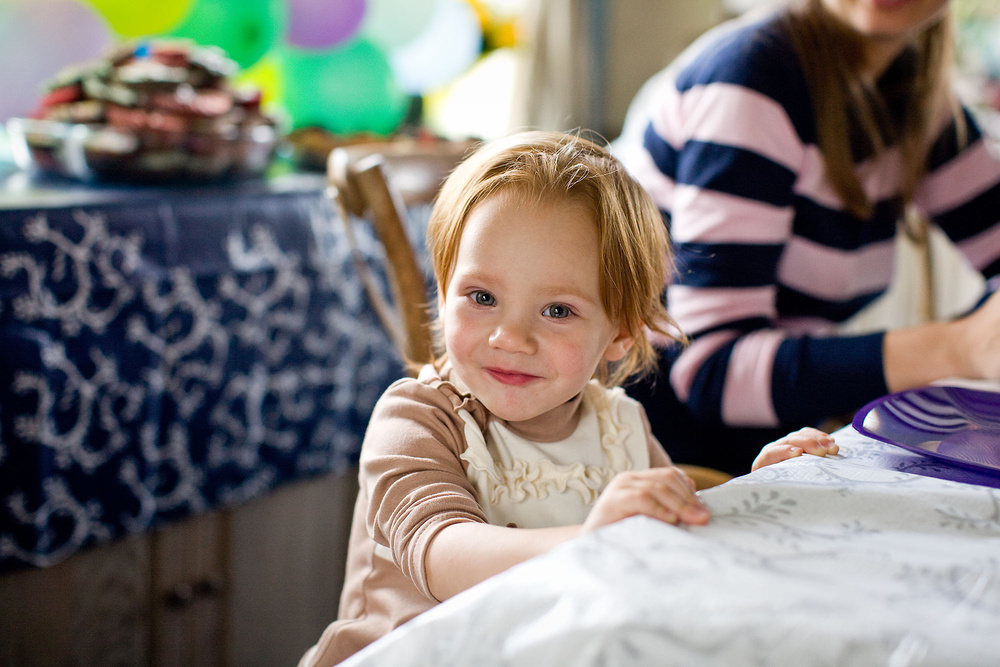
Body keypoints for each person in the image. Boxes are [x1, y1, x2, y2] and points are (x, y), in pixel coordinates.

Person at [299, 131, 836, 666]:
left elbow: (671, 533)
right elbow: (441, 553)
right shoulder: (417, 418)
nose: (509, 337)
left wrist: (754, 489)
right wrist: (592, 541)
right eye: (481, 297)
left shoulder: (620, 425)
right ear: (444, 295)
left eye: (557, 310)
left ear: (623, 332)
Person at [613, 0, 1000, 475]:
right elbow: (708, 370)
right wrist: (958, 347)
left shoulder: (910, 92)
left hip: (782, 438)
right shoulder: (750, 78)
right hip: (667, 459)